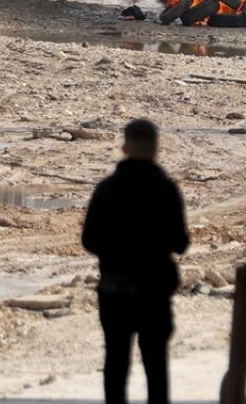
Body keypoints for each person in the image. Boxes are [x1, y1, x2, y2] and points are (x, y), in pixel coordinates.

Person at [82, 119, 189, 404]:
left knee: (116, 363)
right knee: (156, 366)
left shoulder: (106, 189)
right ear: (156, 150)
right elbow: (181, 243)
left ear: (124, 148)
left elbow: (89, 240)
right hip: (154, 290)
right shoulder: (166, 189)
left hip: (115, 289)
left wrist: (114, 251)